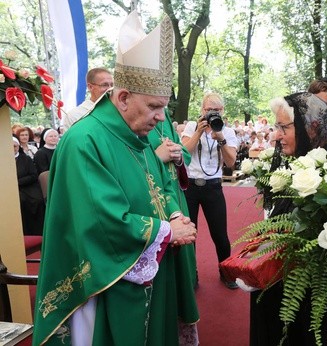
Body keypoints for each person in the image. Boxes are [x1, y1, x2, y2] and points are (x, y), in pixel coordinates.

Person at [33, 11, 199, 345]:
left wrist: (174, 212)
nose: (160, 117)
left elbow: (157, 185)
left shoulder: (136, 134)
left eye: (164, 108)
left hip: (150, 266)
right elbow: (99, 221)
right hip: (106, 281)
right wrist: (166, 231)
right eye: (154, 106)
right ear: (122, 97)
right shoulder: (85, 140)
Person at [250, 92, 327, 345]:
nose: (276, 135)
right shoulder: (293, 167)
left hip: (309, 310)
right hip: (281, 298)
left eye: (283, 127)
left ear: (308, 127)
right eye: (276, 126)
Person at [181, 92, 239, 289]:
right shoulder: (191, 126)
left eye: (216, 110)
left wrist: (220, 137)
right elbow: (183, 154)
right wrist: (198, 132)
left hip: (213, 186)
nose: (212, 113)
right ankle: (191, 274)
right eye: (208, 110)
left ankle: (226, 272)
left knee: (220, 234)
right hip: (189, 185)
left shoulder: (228, 132)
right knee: (190, 233)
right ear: (202, 110)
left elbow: (231, 162)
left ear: (223, 111)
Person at [149, 110, 198, 289]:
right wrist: (157, 157)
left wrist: (178, 156)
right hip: (153, 196)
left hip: (175, 194)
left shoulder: (165, 116)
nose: (159, 115)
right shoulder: (134, 121)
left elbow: (183, 151)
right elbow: (132, 162)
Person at [13, 136, 45, 235]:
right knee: (20, 202)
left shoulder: (26, 159)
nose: (13, 148)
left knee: (37, 200)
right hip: (13, 189)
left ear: (18, 147)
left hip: (28, 186)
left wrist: (18, 182)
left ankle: (39, 232)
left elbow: (33, 175)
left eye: (15, 146)